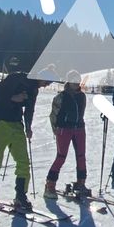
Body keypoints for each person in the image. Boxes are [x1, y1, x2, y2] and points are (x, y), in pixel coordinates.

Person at [0, 69, 46, 212]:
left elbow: (30, 109)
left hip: (17, 123)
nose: (46, 85)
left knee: (23, 162)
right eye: (47, 81)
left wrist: (28, 126)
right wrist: (12, 97)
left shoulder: (34, 89)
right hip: (0, 122)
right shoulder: (17, 77)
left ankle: (20, 196)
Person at [44, 70, 89, 199]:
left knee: (81, 156)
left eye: (77, 80)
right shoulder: (61, 96)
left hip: (79, 128)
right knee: (61, 157)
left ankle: (81, 183)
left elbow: (81, 112)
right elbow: (53, 114)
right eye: (73, 80)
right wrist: (55, 129)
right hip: (64, 129)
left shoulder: (82, 96)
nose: (76, 83)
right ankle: (50, 184)